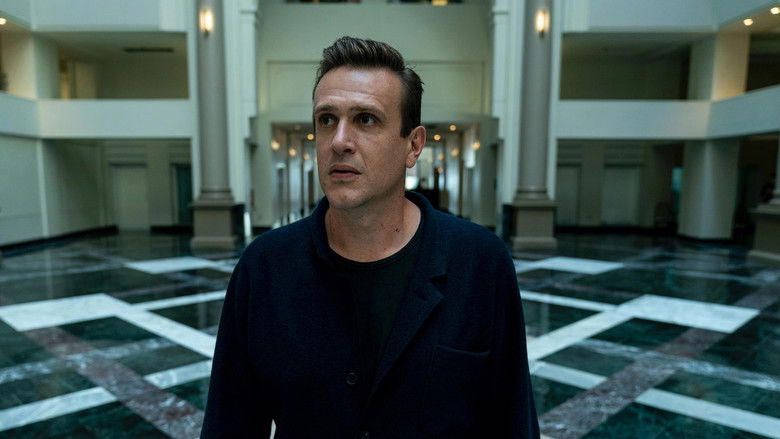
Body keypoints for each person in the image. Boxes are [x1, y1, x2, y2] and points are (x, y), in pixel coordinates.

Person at [201, 36, 539, 439]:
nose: (339, 141)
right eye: (327, 120)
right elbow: (230, 424)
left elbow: (511, 422)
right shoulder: (265, 267)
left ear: (413, 145)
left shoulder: (479, 262)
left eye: (366, 120)